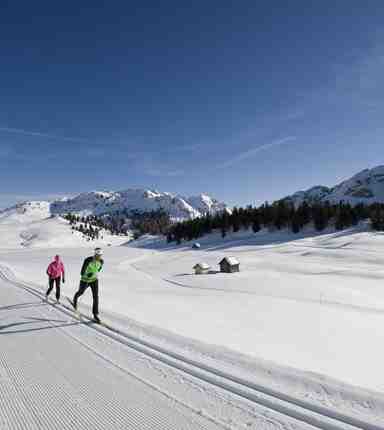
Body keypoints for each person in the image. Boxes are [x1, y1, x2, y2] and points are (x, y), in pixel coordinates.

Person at [72, 248, 104, 323]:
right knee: (81, 292)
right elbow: (82, 272)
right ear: (95, 254)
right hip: (85, 280)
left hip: (94, 280)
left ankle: (95, 314)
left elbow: (98, 269)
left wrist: (94, 274)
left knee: (96, 296)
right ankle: (75, 299)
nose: (99, 257)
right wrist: (87, 274)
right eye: (97, 255)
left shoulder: (101, 261)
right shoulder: (88, 260)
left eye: (100, 255)